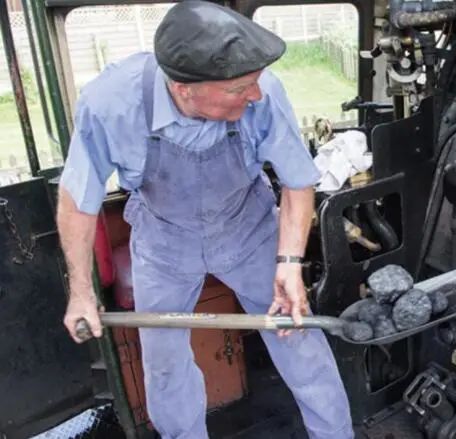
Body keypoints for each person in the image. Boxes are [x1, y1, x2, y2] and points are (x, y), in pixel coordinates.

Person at [56, 1, 353, 437]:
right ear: (183, 88)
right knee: (165, 366)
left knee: (299, 336)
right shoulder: (109, 105)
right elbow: (77, 202)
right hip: (163, 244)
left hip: (248, 229)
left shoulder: (263, 90)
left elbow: (297, 182)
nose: (254, 95)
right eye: (239, 89)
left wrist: (289, 265)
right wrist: (82, 292)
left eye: (254, 84)